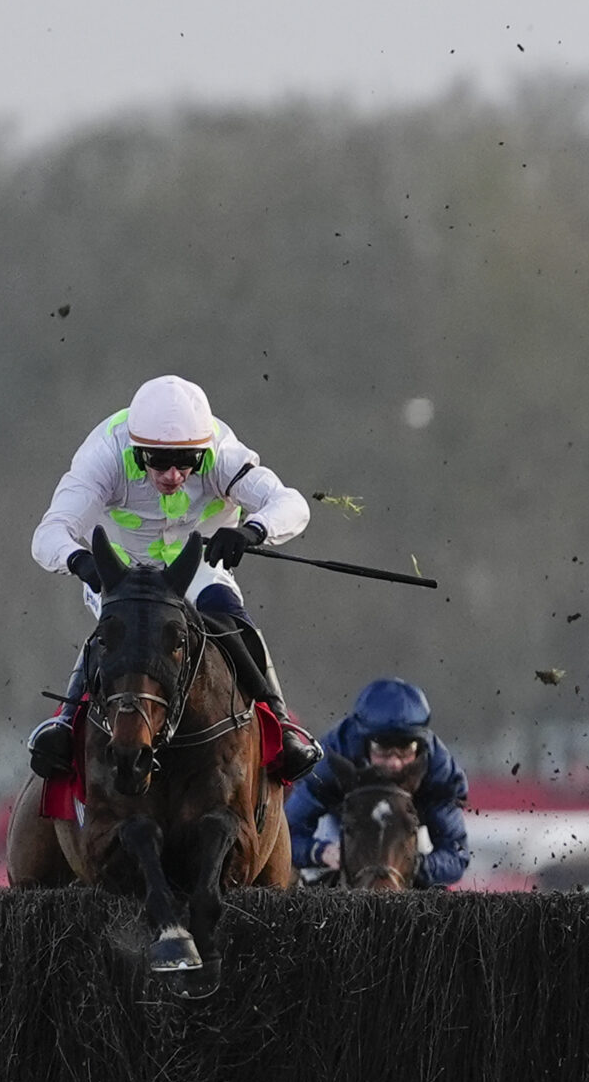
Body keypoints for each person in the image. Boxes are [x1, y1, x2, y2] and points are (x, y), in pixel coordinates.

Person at [26, 374, 321, 784]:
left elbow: (291, 503)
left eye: (187, 462)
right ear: (137, 450)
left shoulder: (220, 452)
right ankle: (65, 721)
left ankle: (283, 724)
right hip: (123, 570)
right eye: (160, 462)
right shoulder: (105, 455)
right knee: (119, 629)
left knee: (228, 614)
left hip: (195, 566)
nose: (175, 474)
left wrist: (250, 531)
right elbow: (49, 533)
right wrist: (79, 560)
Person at [285, 678, 472, 887]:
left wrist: (414, 864)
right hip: (340, 826)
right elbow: (287, 835)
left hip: (408, 830)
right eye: (384, 750)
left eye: (404, 751)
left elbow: (456, 856)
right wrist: (319, 852)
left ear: (419, 745)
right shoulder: (331, 759)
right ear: (365, 742)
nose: (394, 763)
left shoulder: (439, 772)